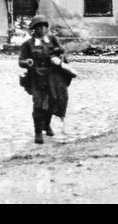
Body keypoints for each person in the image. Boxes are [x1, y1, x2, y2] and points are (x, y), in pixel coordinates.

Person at [19, 15, 72, 144]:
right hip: (36, 78)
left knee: (52, 102)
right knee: (38, 105)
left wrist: (56, 53)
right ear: (34, 29)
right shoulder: (27, 44)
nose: (42, 29)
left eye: (44, 26)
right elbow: (21, 61)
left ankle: (47, 125)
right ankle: (38, 132)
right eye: (39, 27)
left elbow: (62, 51)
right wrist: (28, 62)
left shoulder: (53, 40)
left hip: (53, 77)